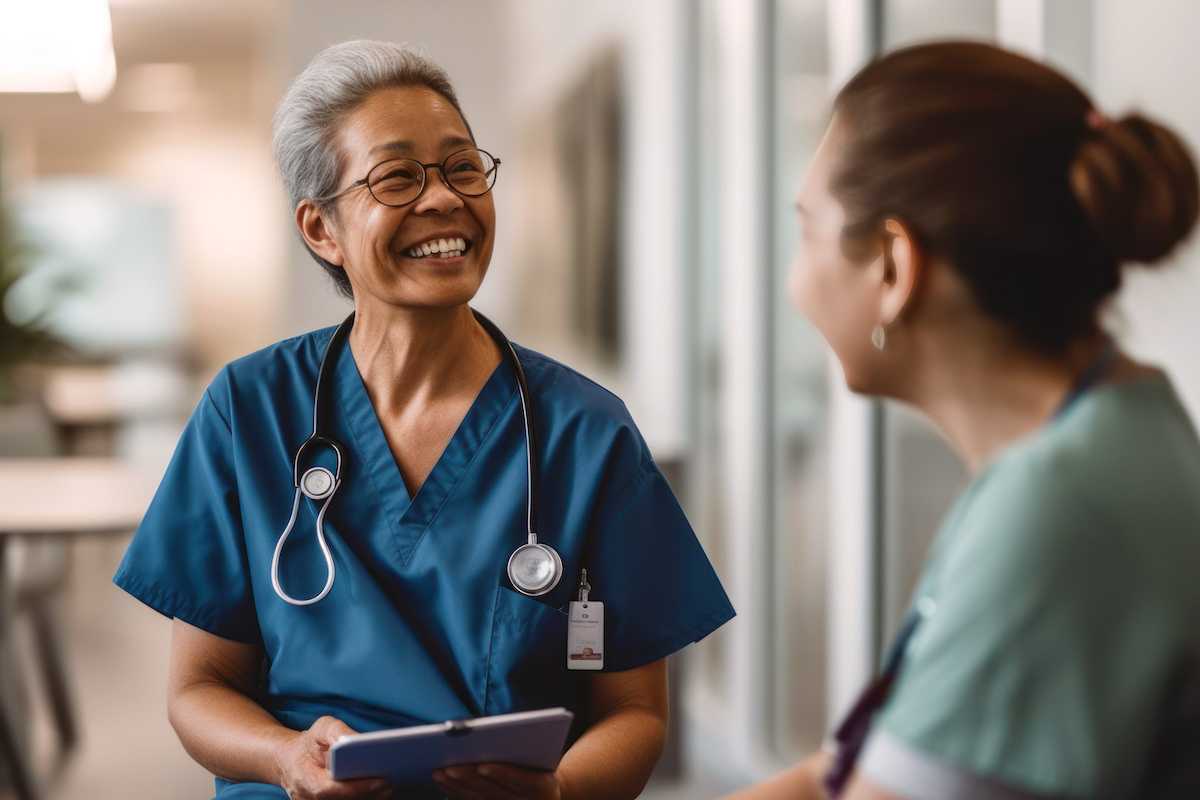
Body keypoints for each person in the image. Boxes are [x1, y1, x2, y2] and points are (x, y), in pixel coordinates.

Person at [113, 40, 734, 800]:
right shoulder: (249, 410)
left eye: (463, 167)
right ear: (320, 229)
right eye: (398, 176)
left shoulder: (584, 432)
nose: (444, 199)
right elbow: (198, 689)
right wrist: (284, 757)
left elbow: (634, 714)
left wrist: (558, 793)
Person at [730, 41, 1200, 799]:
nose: (794, 284)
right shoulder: (1120, 424)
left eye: (808, 231)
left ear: (892, 267)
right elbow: (845, 772)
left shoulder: (1059, 505)